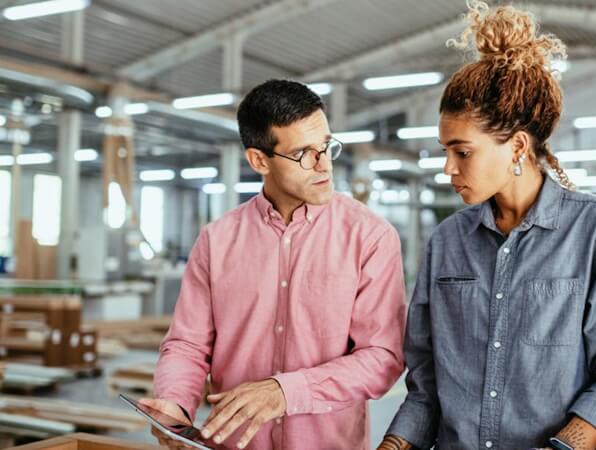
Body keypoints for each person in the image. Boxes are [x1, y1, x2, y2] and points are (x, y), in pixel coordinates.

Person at [378, 2, 596, 449]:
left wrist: (564, 446)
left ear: (517, 147)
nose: (448, 168)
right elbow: (427, 383)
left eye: (462, 151)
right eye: (444, 151)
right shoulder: (448, 242)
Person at [140, 79, 407, 450]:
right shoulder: (217, 241)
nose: (323, 164)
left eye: (326, 146)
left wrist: (286, 391)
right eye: (303, 153)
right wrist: (175, 401)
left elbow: (382, 358)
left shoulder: (370, 236)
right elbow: (187, 344)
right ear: (259, 160)